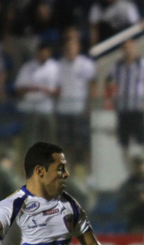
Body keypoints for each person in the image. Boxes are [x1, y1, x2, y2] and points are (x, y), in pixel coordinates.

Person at [106, 39, 144, 168]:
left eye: (130, 47)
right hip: (123, 110)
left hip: (138, 109)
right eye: (125, 48)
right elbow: (109, 81)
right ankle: (130, 172)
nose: (128, 50)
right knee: (124, 145)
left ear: (135, 48)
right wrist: (113, 100)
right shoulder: (117, 66)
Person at [57, 37, 97, 169]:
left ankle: (88, 171)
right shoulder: (60, 65)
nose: (70, 51)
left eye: (72, 48)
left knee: (84, 144)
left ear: (78, 48)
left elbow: (92, 86)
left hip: (80, 110)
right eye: (68, 48)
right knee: (66, 145)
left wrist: (89, 106)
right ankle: (69, 171)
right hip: (64, 110)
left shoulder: (86, 64)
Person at [15, 42, 60, 148]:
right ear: (37, 53)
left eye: (45, 53)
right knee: (30, 137)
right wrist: (32, 88)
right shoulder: (28, 67)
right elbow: (19, 87)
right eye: (41, 53)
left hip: (47, 108)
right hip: (31, 108)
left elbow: (59, 89)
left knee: (50, 136)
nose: (43, 55)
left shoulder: (55, 67)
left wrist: (46, 91)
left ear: (49, 53)